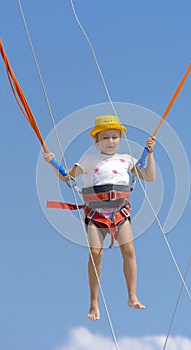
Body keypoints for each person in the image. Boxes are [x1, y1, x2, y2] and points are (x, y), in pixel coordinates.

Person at [44, 115, 156, 321]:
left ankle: (132, 296)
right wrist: (52, 162)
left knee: (129, 250)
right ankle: (94, 302)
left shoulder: (127, 160)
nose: (111, 141)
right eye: (105, 138)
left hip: (120, 213)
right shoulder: (88, 160)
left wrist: (149, 154)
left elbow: (150, 177)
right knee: (95, 253)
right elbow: (66, 176)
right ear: (97, 141)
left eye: (114, 137)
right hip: (96, 215)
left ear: (120, 138)